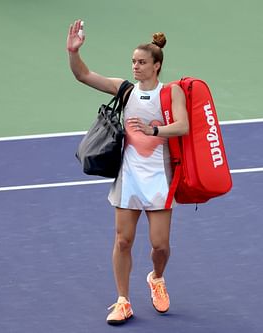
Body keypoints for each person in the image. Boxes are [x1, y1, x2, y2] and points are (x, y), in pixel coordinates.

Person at [66, 19, 188, 325]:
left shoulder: (171, 94)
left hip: (160, 177)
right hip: (130, 177)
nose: (136, 67)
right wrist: (73, 52)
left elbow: (183, 126)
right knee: (123, 240)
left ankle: (156, 278)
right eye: (133, 62)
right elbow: (83, 75)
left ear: (157, 65)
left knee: (160, 245)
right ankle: (123, 300)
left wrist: (155, 128)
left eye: (142, 62)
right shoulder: (125, 91)